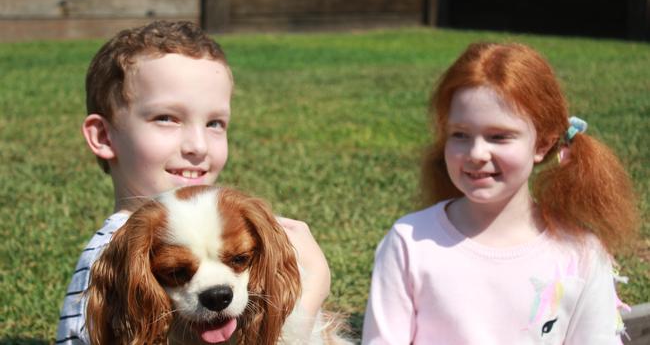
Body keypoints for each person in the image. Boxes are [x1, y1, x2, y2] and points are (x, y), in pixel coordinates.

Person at [55, 20, 330, 344]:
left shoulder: (225, 218)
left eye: (214, 123)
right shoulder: (112, 255)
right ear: (103, 135)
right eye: (166, 119)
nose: (197, 146)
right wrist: (309, 297)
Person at [362, 42, 638, 344]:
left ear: (542, 144)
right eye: (460, 135)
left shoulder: (581, 253)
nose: (477, 153)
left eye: (499, 136)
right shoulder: (409, 242)